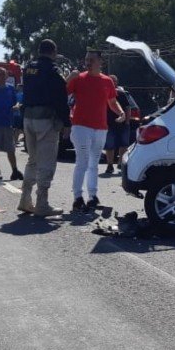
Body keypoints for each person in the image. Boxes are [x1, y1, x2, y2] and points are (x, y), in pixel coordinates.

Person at [67, 50, 125, 212]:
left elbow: (112, 102)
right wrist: (69, 78)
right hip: (81, 126)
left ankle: (93, 196)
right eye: (86, 59)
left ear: (100, 62)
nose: (88, 62)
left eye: (92, 59)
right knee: (83, 161)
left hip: (100, 128)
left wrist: (120, 113)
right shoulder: (78, 78)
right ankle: (78, 197)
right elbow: (63, 93)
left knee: (94, 163)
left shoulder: (107, 81)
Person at [18, 39, 71, 217]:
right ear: (53, 51)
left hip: (28, 118)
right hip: (45, 120)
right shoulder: (52, 70)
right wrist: (66, 122)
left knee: (32, 160)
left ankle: (25, 199)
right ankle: (42, 203)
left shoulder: (28, 68)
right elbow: (61, 98)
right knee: (46, 162)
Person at [103, 74, 131, 175]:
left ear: (116, 83)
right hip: (108, 124)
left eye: (114, 81)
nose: (112, 82)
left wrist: (127, 121)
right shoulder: (104, 93)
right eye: (110, 80)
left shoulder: (121, 94)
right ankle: (110, 165)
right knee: (109, 146)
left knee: (123, 144)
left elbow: (128, 108)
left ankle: (120, 164)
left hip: (123, 124)